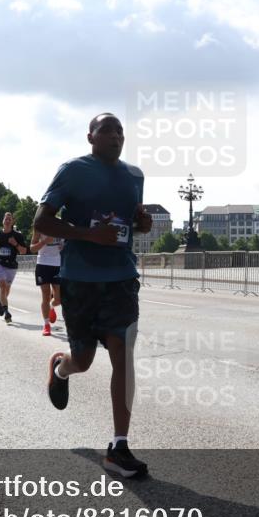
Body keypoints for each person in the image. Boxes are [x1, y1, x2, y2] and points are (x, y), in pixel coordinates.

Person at [34, 113, 153, 477]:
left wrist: (141, 223)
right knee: (82, 360)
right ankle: (61, 367)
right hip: (79, 279)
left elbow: (131, 220)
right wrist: (87, 234)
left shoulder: (135, 176)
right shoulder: (73, 170)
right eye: (107, 130)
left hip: (120, 278)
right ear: (91, 137)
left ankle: (119, 446)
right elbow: (41, 221)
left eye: (120, 130)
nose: (116, 135)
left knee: (123, 354)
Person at [0, 212, 27, 323]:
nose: (7, 220)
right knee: (2, 287)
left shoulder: (17, 235)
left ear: (12, 222)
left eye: (10, 219)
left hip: (11, 266)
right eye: (6, 218)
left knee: (6, 290)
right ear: (3, 221)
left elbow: (24, 251)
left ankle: (1, 302)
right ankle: (7, 313)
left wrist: (15, 244)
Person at [30, 226, 63, 336]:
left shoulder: (60, 225)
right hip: (43, 264)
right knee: (46, 295)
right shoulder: (39, 227)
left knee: (58, 299)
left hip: (57, 265)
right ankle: (46, 325)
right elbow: (32, 248)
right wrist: (44, 241)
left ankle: (51, 307)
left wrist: (63, 246)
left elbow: (65, 245)